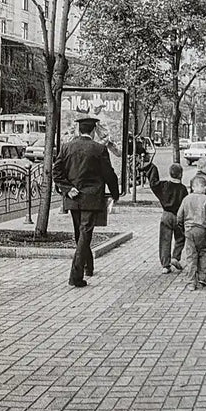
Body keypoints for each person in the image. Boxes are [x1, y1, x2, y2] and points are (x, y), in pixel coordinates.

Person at [54, 114, 122, 288]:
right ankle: (75, 277)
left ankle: (88, 267)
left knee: (80, 233)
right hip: (92, 198)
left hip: (73, 198)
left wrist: (67, 188)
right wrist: (115, 194)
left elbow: (56, 172)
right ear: (93, 131)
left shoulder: (67, 147)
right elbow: (109, 174)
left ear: (79, 129)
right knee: (84, 234)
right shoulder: (99, 149)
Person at [176, 172, 206, 289]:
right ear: (204, 187)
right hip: (202, 230)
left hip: (189, 230)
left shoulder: (186, 199)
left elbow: (179, 216)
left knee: (191, 255)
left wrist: (182, 227)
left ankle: (191, 281)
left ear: (192, 187)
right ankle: (202, 278)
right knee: (203, 253)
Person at [150, 162, 188, 274]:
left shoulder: (164, 185)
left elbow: (154, 184)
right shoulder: (183, 189)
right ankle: (175, 257)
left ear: (170, 173)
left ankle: (165, 265)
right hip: (178, 216)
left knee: (165, 240)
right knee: (180, 238)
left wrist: (152, 169)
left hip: (166, 214)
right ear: (181, 174)